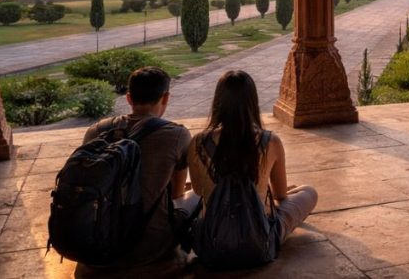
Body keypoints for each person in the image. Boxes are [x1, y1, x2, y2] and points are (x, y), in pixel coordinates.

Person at [188, 70, 317, 249]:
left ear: (218, 102)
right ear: (253, 102)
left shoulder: (198, 142)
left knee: (188, 198)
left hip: (214, 240)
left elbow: (197, 190)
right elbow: (280, 195)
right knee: (308, 192)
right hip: (260, 239)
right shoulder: (270, 141)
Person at [81, 66, 192, 266]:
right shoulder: (177, 135)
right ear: (165, 98)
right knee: (196, 198)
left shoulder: (96, 131)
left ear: (129, 99)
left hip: (97, 242)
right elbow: (176, 193)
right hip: (151, 247)